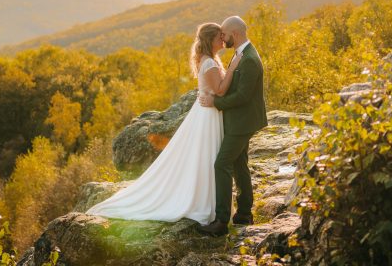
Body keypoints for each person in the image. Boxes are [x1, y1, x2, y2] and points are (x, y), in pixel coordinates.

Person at [85, 22, 241, 224]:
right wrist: (232, 69)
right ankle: (204, 202)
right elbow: (219, 90)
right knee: (207, 157)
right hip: (208, 115)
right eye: (219, 36)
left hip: (209, 112)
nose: (223, 39)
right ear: (211, 40)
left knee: (207, 158)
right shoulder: (209, 63)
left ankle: (210, 200)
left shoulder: (210, 59)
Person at [196, 15, 267, 237]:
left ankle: (221, 221)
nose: (223, 38)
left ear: (234, 35)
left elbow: (243, 96)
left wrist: (215, 102)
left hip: (242, 121)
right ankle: (244, 213)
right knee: (239, 164)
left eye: (224, 34)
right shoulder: (241, 54)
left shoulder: (249, 59)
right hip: (239, 119)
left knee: (221, 164)